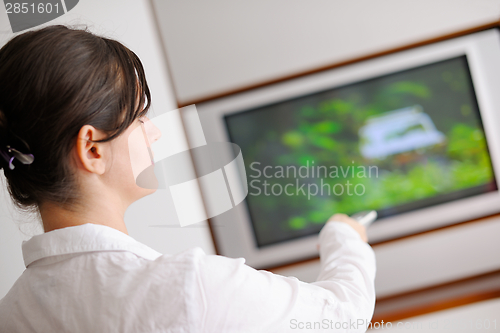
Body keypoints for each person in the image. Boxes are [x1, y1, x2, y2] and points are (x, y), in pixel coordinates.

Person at [0, 25, 376, 333]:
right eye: (139, 117)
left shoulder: (11, 314)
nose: (154, 133)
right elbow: (343, 316)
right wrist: (344, 238)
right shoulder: (187, 286)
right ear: (93, 149)